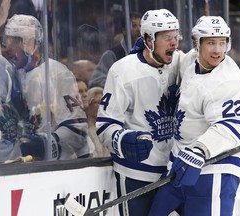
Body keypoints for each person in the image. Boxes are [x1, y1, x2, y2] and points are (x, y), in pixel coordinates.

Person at [148, 16, 240, 216]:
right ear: (197, 44)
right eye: (211, 42)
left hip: (215, 170)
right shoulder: (190, 60)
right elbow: (175, 59)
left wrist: (199, 150)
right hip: (180, 164)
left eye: (222, 43)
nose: (217, 50)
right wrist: (150, 51)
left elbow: (229, 127)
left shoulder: (228, 81)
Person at [96, 9, 183, 216]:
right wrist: (122, 140)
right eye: (166, 37)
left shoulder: (181, 63)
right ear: (148, 40)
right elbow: (105, 124)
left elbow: (211, 67)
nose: (174, 43)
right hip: (136, 175)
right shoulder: (123, 70)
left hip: (173, 172)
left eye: (175, 36)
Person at [0, 14, 90, 161]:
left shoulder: (58, 73)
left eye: (12, 41)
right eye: (6, 40)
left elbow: (77, 129)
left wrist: (44, 143)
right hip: (22, 167)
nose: (7, 48)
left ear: (27, 43)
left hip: (59, 169)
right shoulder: (12, 74)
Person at [88, 11, 141, 88]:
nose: (139, 29)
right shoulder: (112, 55)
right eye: (134, 26)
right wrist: (122, 87)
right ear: (124, 30)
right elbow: (96, 81)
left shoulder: (149, 53)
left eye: (140, 25)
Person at [87, 86, 109, 157]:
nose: (101, 106)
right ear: (89, 105)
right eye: (97, 102)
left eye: (102, 103)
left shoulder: (109, 127)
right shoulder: (85, 130)